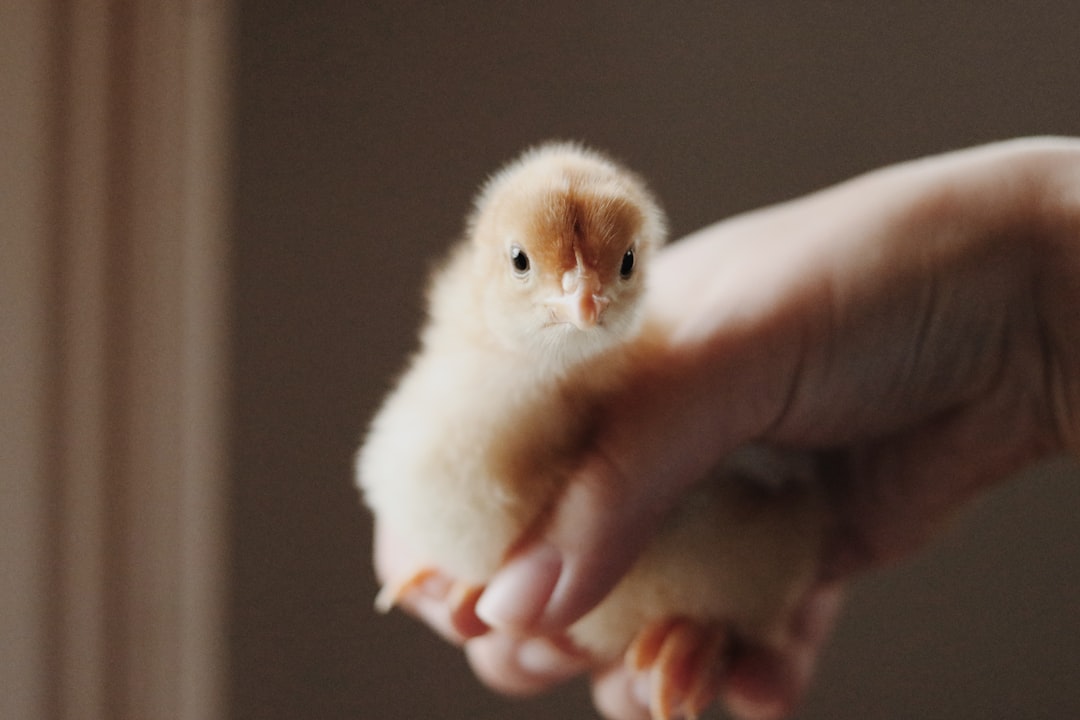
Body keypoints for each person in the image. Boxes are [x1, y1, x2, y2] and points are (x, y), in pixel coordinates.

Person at [373, 137, 1080, 719]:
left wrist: (1038, 293)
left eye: (618, 267)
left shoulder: (665, 386)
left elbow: (789, 511)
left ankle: (693, 632)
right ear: (491, 261)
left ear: (641, 262)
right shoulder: (460, 391)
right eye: (529, 265)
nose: (583, 297)